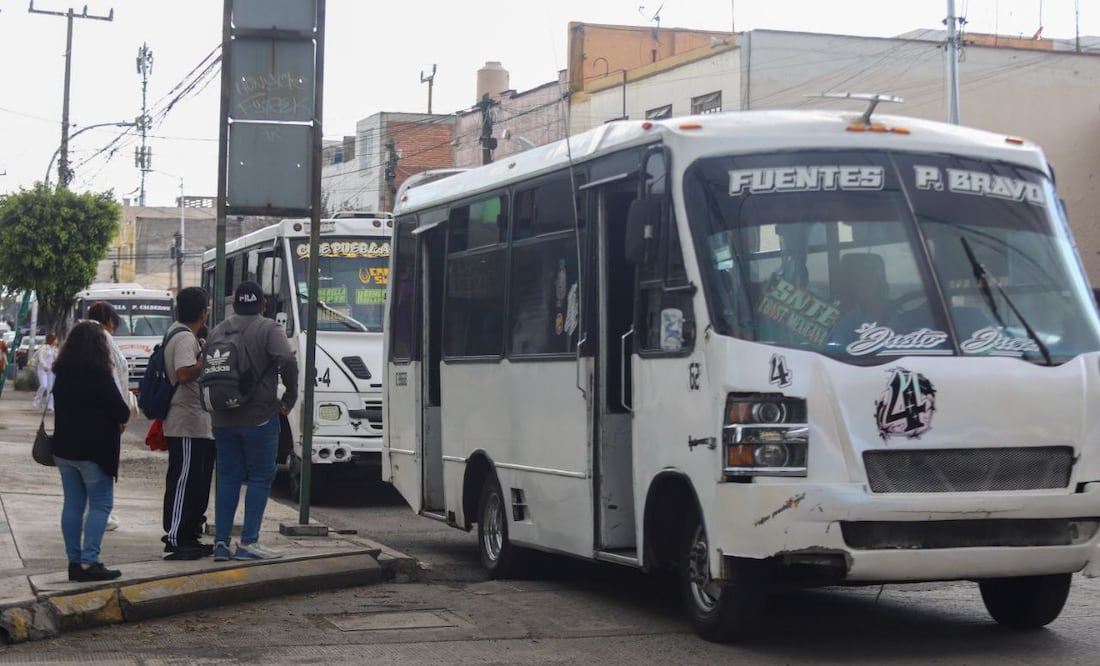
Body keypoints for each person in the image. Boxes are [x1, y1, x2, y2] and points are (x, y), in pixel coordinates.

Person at [210, 281, 298, 561]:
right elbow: (287, 359)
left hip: (222, 416)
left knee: (228, 477)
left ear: (234, 304)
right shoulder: (269, 328)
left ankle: (221, 543)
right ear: (263, 304)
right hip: (259, 415)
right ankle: (248, 542)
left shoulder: (218, 330)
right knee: (261, 478)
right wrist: (289, 398)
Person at [51, 321, 131, 582]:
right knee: (101, 504)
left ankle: (74, 562)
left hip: (64, 450)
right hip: (93, 452)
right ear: (99, 346)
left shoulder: (62, 372)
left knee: (72, 504)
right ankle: (89, 562)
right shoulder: (98, 374)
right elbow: (121, 411)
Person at [160, 287, 215, 560]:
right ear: (203, 313)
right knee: (183, 480)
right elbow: (183, 374)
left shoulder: (183, 334)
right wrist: (205, 361)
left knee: (195, 481)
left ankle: (189, 535)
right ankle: (175, 539)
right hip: (185, 422)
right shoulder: (183, 337)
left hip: (195, 422)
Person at [85, 301, 132, 532]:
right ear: (110, 321)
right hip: (107, 417)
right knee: (102, 468)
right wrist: (121, 415)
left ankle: (95, 513)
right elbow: (114, 381)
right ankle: (103, 514)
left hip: (86, 418)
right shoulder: (105, 341)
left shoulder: (82, 340)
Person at [32, 333, 58, 412]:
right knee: (44, 385)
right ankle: (36, 400)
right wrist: (44, 365)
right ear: (52, 340)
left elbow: (56, 358)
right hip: (43, 369)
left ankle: (49, 405)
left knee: (50, 389)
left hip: (51, 370)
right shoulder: (44, 348)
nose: (57, 341)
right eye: (55, 339)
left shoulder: (55, 349)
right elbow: (41, 357)